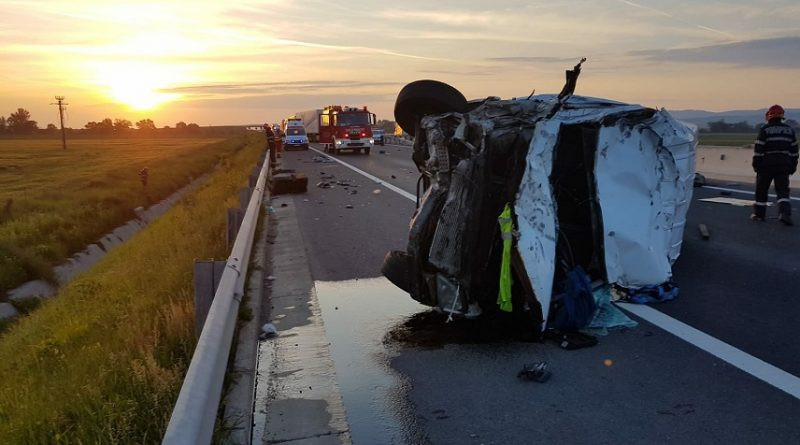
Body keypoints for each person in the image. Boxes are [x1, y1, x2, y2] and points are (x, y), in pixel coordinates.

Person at [751, 105, 798, 226]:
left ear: (769, 116)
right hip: (784, 164)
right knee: (782, 191)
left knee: (762, 190)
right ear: (782, 116)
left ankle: (759, 215)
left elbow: (758, 150)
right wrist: (793, 165)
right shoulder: (790, 130)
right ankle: (784, 213)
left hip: (766, 164)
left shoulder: (765, 130)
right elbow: (794, 151)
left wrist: (756, 165)